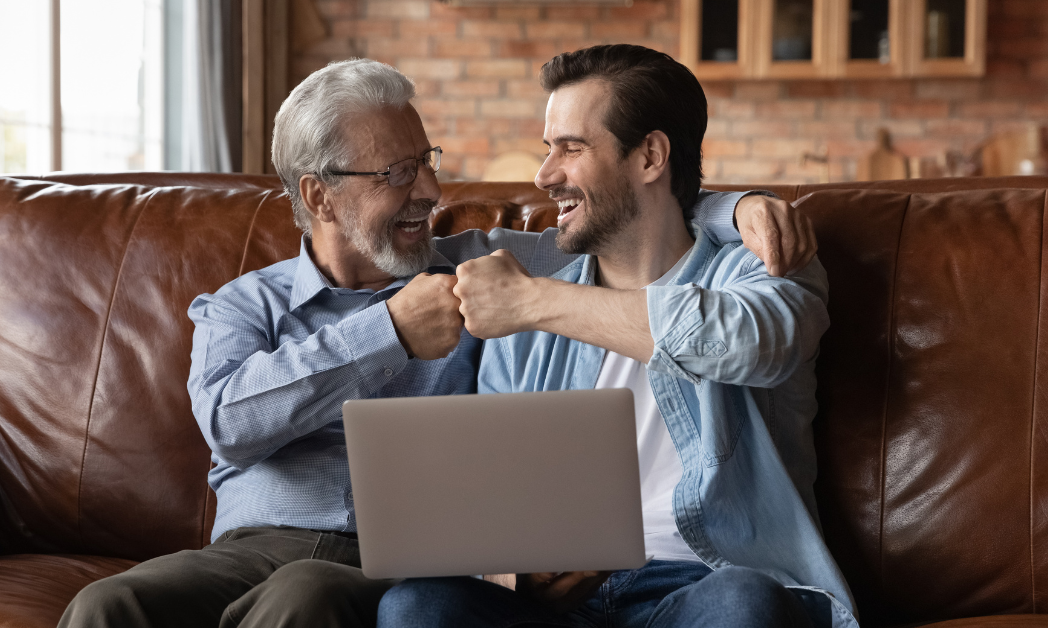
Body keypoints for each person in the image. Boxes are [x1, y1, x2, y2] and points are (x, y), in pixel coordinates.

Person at [59, 57, 817, 628]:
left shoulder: (490, 272)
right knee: (106, 603)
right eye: (396, 172)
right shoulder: (242, 307)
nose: (428, 191)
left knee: (318, 596)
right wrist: (387, 331)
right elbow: (230, 421)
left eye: (427, 162)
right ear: (319, 194)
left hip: (396, 561)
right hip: (259, 543)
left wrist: (737, 205)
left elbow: (638, 219)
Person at [378, 45, 858, 628]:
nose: (544, 175)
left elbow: (750, 343)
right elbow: (496, 502)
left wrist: (533, 301)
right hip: (564, 607)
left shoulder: (765, 265)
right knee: (417, 606)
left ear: (651, 155)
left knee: (741, 602)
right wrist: (513, 572)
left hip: (703, 585)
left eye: (571, 148)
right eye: (547, 149)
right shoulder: (524, 309)